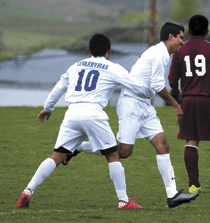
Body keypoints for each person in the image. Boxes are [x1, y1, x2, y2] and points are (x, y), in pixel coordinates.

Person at [17, 33, 156, 210]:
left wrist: (48, 108)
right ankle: (123, 201)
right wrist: (151, 92)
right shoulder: (113, 67)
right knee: (113, 155)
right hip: (94, 114)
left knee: (56, 156)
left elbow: (60, 86)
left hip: (72, 114)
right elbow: (136, 87)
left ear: (89, 50)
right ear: (109, 50)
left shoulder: (75, 66)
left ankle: (28, 190)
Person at [73, 22, 199, 209]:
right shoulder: (159, 54)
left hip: (144, 105)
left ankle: (172, 195)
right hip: (131, 103)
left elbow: (153, 85)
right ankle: (80, 146)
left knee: (162, 144)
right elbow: (157, 85)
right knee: (124, 152)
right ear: (171, 37)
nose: (183, 41)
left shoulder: (164, 54)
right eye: (181, 37)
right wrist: (175, 105)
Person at [168, 14, 210, 194]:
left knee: (191, 141)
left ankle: (194, 184)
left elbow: (171, 80)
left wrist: (177, 96)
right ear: (207, 31)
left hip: (189, 100)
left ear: (189, 31)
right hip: (208, 98)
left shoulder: (181, 50)